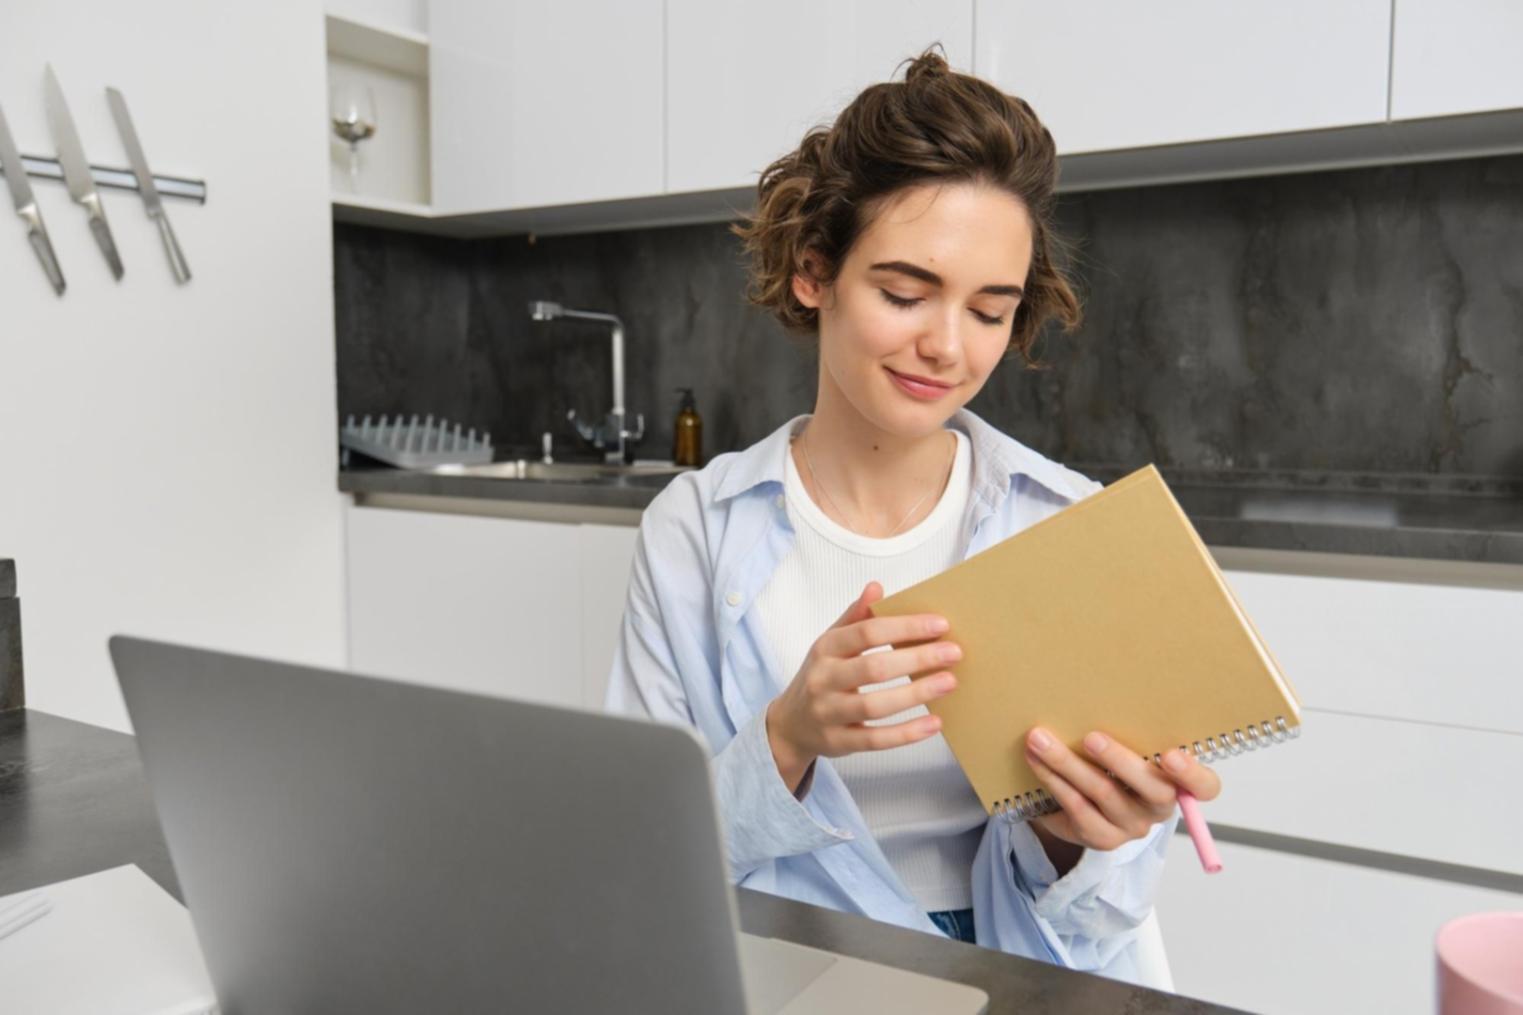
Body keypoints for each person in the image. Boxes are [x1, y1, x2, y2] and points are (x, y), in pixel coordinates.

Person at [604, 47, 1221, 987]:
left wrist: (1079, 837)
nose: (944, 345)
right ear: (815, 272)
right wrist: (789, 735)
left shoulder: (1066, 527)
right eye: (903, 292)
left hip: (1013, 973)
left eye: (988, 311)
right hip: (783, 963)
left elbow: (1107, 911)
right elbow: (643, 855)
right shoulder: (694, 528)